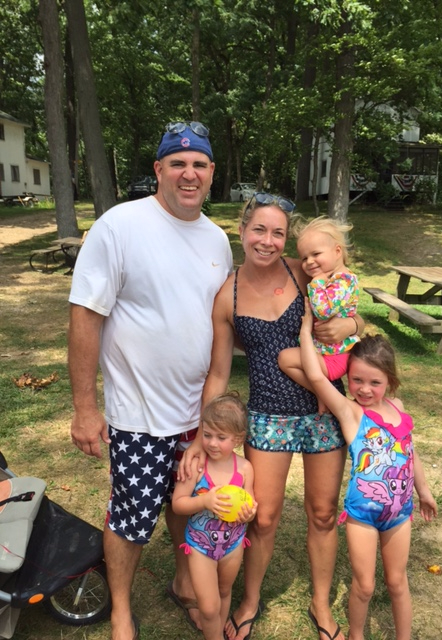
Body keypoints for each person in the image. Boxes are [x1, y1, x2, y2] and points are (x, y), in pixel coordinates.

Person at [68, 121, 233, 640]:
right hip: (138, 412)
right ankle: (121, 610)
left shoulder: (217, 239)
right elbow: (85, 315)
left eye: (199, 164)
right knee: (132, 517)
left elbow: (223, 319)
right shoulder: (120, 226)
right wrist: (85, 408)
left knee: (190, 505)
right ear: (159, 169)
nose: (189, 174)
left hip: (197, 413)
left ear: (211, 172)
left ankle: (185, 583)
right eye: (178, 163)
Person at [180, 192, 365, 640]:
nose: (268, 240)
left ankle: (320, 602)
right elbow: (219, 372)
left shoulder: (303, 271)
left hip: (322, 409)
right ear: (242, 231)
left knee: (323, 514)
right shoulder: (227, 296)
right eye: (259, 230)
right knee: (262, 517)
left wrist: (354, 325)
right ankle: (249, 600)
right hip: (266, 415)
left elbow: (349, 310)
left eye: (278, 233)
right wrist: (201, 437)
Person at [299, 307, 437, 640]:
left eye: (375, 382)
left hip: (400, 513)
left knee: (397, 582)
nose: (364, 389)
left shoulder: (398, 408)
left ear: (390, 381)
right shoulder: (350, 412)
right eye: (356, 380)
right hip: (363, 515)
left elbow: (410, 451)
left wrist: (424, 491)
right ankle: (357, 634)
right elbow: (316, 378)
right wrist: (305, 331)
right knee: (364, 585)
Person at [172, 393, 257, 640]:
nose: (212, 443)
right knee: (208, 608)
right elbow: (178, 503)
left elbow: (251, 506)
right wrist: (204, 501)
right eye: (207, 434)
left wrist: (249, 514)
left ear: (238, 438)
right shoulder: (197, 466)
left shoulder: (244, 469)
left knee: (223, 591)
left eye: (221, 437)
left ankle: (216, 631)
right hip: (200, 546)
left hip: (233, 544)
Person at [278, 216, 360, 398]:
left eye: (316, 254)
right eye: (304, 258)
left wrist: (316, 282)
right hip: (327, 353)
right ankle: (323, 394)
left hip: (335, 358)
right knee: (286, 359)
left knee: (285, 359)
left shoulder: (344, 281)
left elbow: (323, 311)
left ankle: (325, 395)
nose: (309, 262)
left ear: (337, 251)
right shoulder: (333, 279)